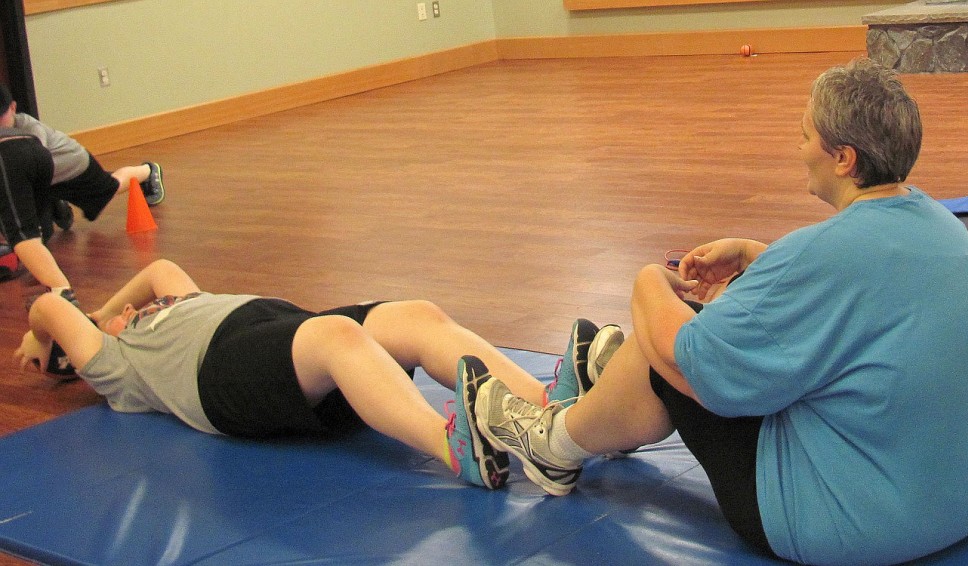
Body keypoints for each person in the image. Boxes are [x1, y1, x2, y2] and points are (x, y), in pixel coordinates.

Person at [470, 57, 968, 565]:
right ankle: (611, 383)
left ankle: (552, 443)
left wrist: (648, 285)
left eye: (806, 136)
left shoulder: (823, 256)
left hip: (857, 527)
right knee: (694, 342)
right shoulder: (939, 224)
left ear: (843, 158)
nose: (799, 147)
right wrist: (759, 256)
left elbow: (689, 360)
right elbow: (853, 291)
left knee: (670, 346)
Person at [13, 258, 611, 489]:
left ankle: (545, 410)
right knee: (338, 337)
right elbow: (47, 308)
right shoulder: (116, 365)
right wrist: (51, 341)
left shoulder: (170, 304)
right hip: (219, 376)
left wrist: (109, 311)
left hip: (276, 330)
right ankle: (456, 449)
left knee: (417, 316)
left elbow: (160, 268)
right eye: (112, 320)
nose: (131, 310)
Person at [0, 84, 165, 289]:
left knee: (110, 188)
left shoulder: (29, 130)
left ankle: (147, 171)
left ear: (14, 108)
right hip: (48, 178)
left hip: (74, 167)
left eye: (2, 116)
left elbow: (35, 167)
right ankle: (56, 202)